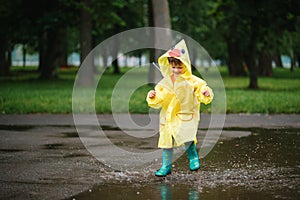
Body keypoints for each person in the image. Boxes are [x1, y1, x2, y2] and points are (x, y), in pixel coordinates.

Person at [146, 39, 213, 177]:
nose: (176, 70)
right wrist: (153, 96)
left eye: (180, 67)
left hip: (185, 114)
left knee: (187, 136)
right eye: (173, 67)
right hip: (167, 117)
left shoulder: (193, 81)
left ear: (186, 66)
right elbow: (159, 98)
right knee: (166, 141)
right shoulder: (164, 82)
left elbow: (202, 89)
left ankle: (193, 157)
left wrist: (205, 93)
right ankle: (166, 166)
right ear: (169, 65)